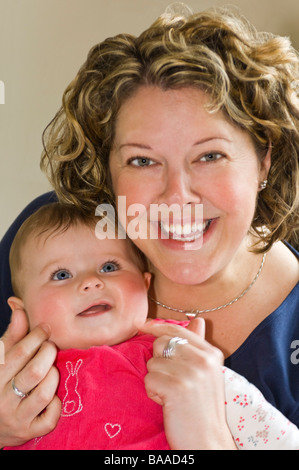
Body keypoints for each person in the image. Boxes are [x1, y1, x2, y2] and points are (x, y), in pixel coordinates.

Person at [0, 4, 298, 449]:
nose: (177, 196)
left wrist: (207, 435)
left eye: (209, 155)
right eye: (142, 160)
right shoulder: (54, 238)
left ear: (264, 159)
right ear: (108, 170)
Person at [3, 202, 299, 450]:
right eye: (61, 274)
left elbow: (275, 438)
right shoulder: (13, 373)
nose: (91, 282)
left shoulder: (177, 357)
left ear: (145, 285)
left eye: (109, 267)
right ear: (22, 310)